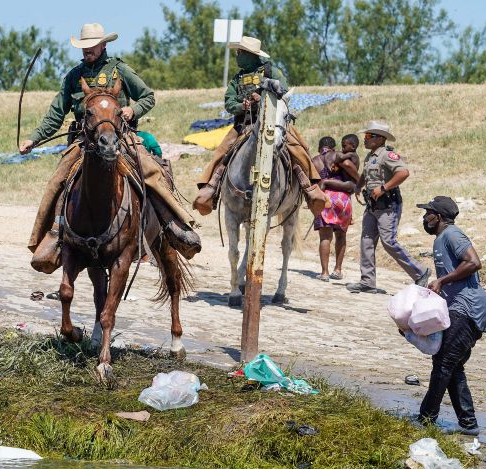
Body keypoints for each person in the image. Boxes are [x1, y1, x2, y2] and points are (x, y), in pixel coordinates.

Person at [19, 23, 200, 273]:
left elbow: (148, 96)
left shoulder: (120, 70)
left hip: (120, 137)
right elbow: (55, 114)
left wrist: (131, 110)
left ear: (103, 45)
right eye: (83, 47)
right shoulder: (74, 76)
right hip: (84, 142)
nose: (86, 51)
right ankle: (51, 236)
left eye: (91, 46)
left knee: (150, 171)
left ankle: (174, 224)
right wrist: (34, 139)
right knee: (58, 179)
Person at [191, 36, 326, 217]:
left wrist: (262, 92)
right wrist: (243, 106)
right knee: (222, 151)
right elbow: (229, 102)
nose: (237, 56)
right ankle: (212, 188)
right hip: (244, 124)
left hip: (274, 121)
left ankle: (309, 188)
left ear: (250, 55)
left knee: (298, 148)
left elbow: (283, 91)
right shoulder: (236, 78)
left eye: (239, 53)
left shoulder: (271, 70)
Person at [414, 196, 486, 436]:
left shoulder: (452, 235)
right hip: (456, 307)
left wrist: (443, 280)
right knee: (452, 366)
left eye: (428, 213)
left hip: (468, 308)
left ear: (438, 216)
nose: (424, 217)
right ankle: (468, 424)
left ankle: (426, 419)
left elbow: (474, 262)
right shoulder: (440, 240)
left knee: (444, 363)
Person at [346, 121, 430, 293]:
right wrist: (358, 186)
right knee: (366, 242)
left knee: (389, 242)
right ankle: (367, 282)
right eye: (366, 136)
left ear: (380, 139)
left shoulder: (387, 155)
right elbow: (365, 173)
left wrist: (384, 188)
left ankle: (420, 272)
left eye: (369, 136)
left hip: (388, 205)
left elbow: (403, 172)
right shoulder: (370, 156)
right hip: (372, 206)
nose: (365, 139)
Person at [311, 135, 359, 281]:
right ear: (333, 146)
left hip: (324, 198)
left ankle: (324, 273)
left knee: (325, 237)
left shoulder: (314, 160)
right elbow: (349, 166)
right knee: (341, 235)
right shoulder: (337, 154)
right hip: (342, 198)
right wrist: (358, 180)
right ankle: (337, 270)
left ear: (320, 148)